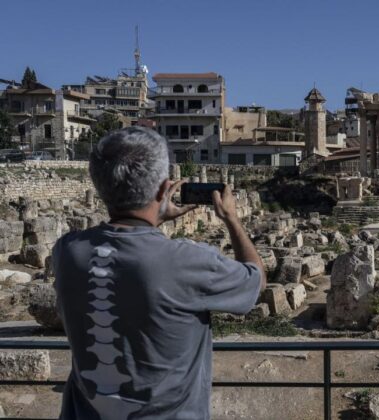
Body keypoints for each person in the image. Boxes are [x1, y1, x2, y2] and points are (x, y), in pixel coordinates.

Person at [53, 127, 266, 419]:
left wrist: (153, 217)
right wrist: (231, 219)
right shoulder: (186, 261)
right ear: (165, 189)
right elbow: (256, 278)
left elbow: (130, 252)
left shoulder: (67, 252)